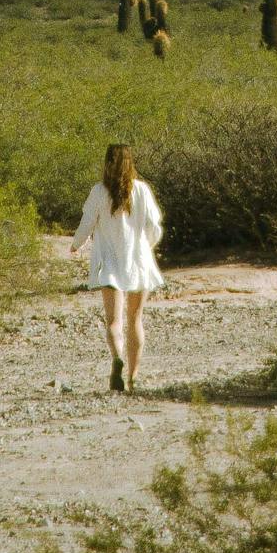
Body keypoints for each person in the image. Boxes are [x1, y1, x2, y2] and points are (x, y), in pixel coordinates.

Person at [70, 143, 165, 392]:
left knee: (113, 321)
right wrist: (146, 247)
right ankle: (133, 377)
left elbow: (87, 223)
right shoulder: (142, 191)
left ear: (107, 163)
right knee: (135, 320)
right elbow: (155, 226)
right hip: (139, 263)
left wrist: (75, 244)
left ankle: (117, 359)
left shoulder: (99, 192)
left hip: (109, 264)